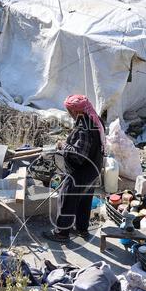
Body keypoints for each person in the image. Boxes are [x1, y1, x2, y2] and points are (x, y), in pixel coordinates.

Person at [43, 94, 105, 243]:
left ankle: (61, 234)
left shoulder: (84, 128)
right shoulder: (95, 120)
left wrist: (63, 145)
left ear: (77, 111)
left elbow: (78, 155)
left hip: (80, 172)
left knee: (66, 200)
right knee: (84, 199)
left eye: (69, 111)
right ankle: (82, 229)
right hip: (93, 169)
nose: (69, 114)